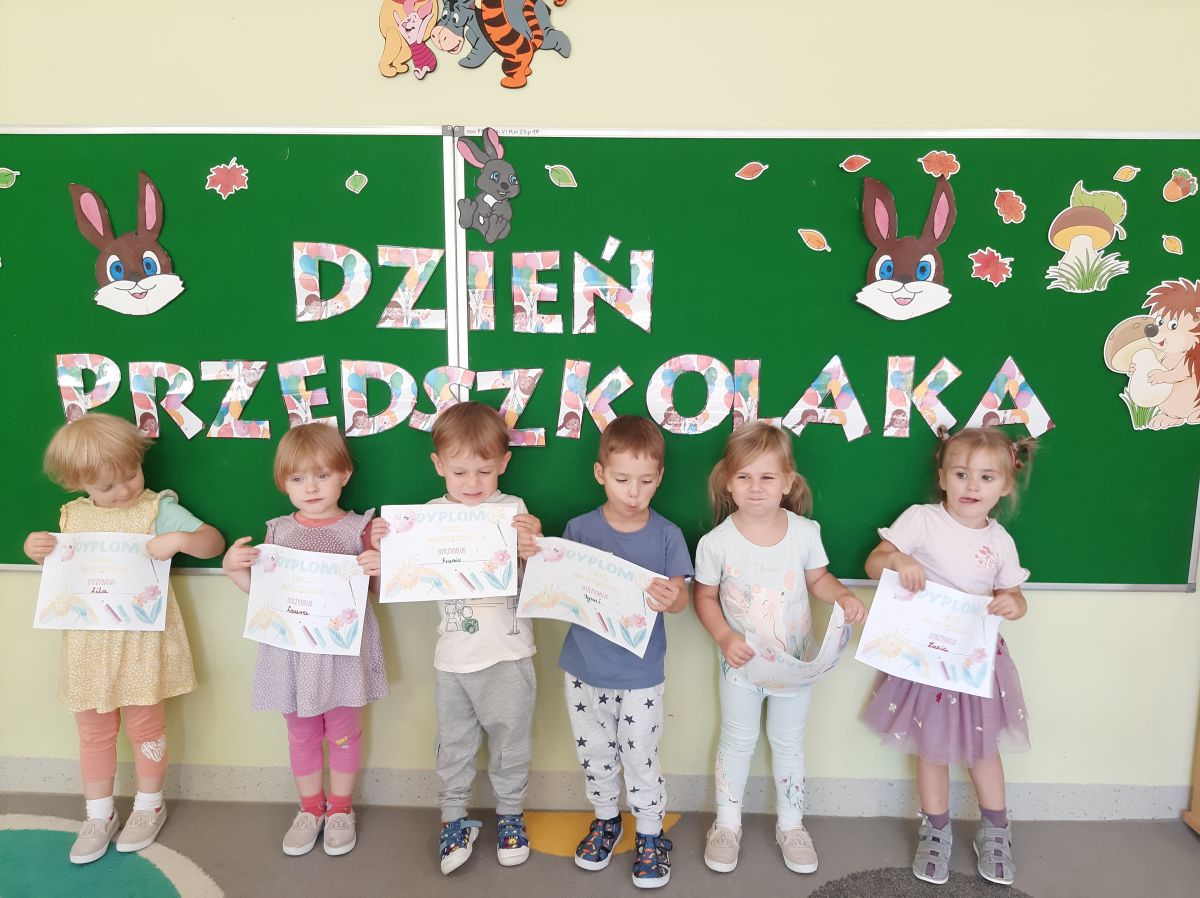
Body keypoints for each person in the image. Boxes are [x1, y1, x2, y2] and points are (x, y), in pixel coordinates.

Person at [23, 414, 225, 864]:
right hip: (88, 645)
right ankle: (98, 814)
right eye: (107, 485)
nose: (124, 490)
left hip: (140, 642)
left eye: (131, 474)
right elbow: (62, 571)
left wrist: (178, 539)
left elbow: (212, 542)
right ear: (78, 483)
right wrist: (35, 550)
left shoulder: (157, 508)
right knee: (93, 732)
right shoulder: (73, 516)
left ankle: (149, 804)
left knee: (145, 727)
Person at [370, 401, 541, 875]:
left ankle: (511, 814)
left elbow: (534, 582)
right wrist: (386, 544)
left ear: (503, 463)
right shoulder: (426, 518)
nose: (472, 483)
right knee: (454, 745)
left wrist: (533, 549)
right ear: (438, 465)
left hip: (508, 654)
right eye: (460, 471)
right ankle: (453, 818)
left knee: (512, 743)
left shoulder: (514, 512)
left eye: (484, 471)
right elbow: (405, 578)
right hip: (452, 659)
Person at [862, 427, 1035, 887]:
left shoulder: (1000, 542)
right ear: (942, 477)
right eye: (960, 474)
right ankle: (936, 828)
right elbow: (874, 563)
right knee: (931, 748)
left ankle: (995, 830)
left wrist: (1012, 604)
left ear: (1005, 486)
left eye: (986, 477)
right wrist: (898, 561)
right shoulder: (921, 520)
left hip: (976, 660)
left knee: (984, 750)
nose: (971, 486)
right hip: (924, 658)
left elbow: (1016, 598)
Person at [692, 422, 866, 875]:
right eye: (744, 477)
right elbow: (704, 597)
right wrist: (724, 637)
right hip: (741, 669)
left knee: (788, 743)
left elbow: (818, 579)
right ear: (728, 482)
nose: (756, 487)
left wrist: (843, 596)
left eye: (767, 477)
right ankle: (726, 824)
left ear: (788, 482)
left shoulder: (805, 533)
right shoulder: (716, 543)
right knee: (737, 741)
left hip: (795, 667)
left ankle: (791, 825)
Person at [222, 424, 385, 858]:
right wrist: (233, 568)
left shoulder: (360, 528)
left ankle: (341, 809)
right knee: (301, 733)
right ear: (283, 483)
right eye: (297, 479)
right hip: (292, 653)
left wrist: (378, 566)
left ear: (344, 474)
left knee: (344, 733)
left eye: (322, 475)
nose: (310, 488)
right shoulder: (277, 532)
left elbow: (379, 590)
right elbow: (264, 596)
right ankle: (311, 807)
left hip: (341, 654)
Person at [545, 415, 693, 889]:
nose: (634, 492)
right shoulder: (579, 529)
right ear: (600, 474)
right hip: (583, 670)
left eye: (646, 481)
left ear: (660, 478)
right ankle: (606, 821)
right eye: (622, 479)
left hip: (640, 674)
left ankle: (650, 834)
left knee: (640, 756)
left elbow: (681, 597)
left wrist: (673, 598)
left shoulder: (667, 535)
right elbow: (561, 587)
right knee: (595, 755)